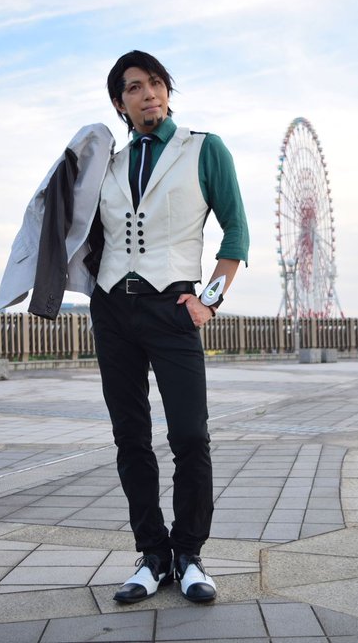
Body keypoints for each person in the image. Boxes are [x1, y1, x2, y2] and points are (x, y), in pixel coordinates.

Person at [89, 50, 249, 604]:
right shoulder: (107, 165)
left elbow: (236, 232)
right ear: (121, 103)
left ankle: (189, 555)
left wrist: (209, 302)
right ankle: (152, 555)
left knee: (189, 435)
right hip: (112, 309)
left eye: (156, 83)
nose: (148, 94)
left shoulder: (203, 148)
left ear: (168, 92)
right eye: (135, 87)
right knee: (130, 436)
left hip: (173, 306)